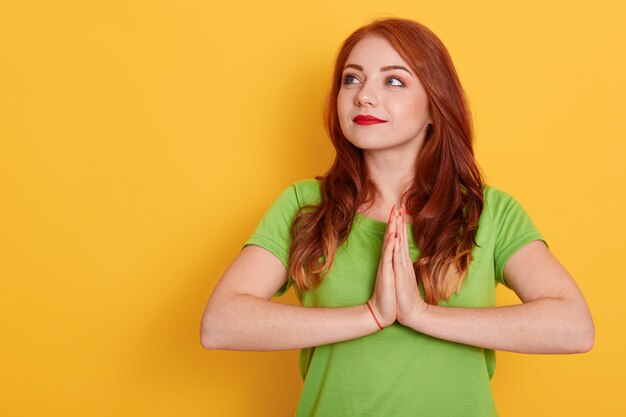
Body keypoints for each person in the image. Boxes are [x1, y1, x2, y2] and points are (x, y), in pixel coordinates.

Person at [200, 17, 594, 417]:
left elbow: (573, 327)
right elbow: (221, 323)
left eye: (393, 81)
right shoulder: (304, 206)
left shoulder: (490, 212)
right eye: (352, 79)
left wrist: (420, 315)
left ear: (434, 106)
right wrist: (370, 314)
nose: (364, 97)